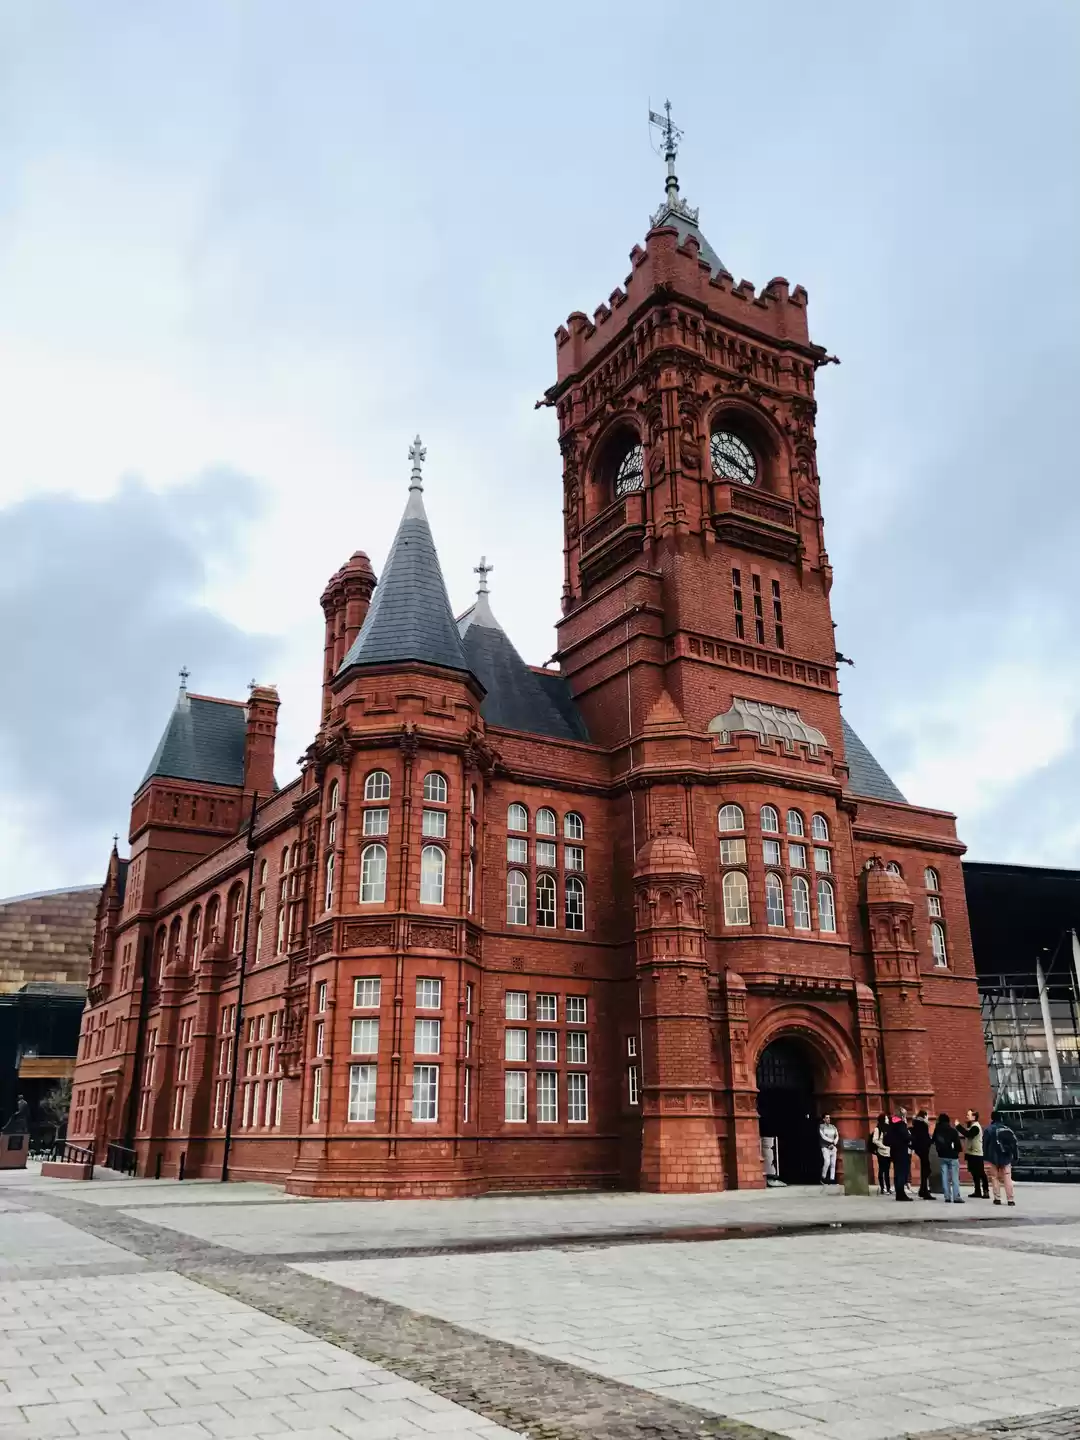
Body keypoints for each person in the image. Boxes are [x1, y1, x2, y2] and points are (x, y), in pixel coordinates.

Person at [983, 1110, 1019, 1206]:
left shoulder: (989, 1130)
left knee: (995, 1178)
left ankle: (997, 1198)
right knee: (1007, 1178)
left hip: (993, 1158)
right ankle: (1010, 1199)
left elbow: (985, 1144)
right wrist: (1015, 1156)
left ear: (992, 1118)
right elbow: (1014, 1144)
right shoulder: (1007, 1129)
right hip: (1006, 1157)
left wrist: (985, 1156)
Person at [933, 1113, 964, 1202]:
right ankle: (956, 1196)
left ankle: (947, 1196)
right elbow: (958, 1144)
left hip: (942, 1155)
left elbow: (934, 1141)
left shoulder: (937, 1130)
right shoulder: (952, 1131)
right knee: (954, 1177)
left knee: (944, 1176)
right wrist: (957, 1151)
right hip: (953, 1156)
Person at [958, 1109, 989, 1198]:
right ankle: (977, 1191)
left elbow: (968, 1134)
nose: (967, 1116)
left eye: (969, 1115)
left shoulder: (976, 1127)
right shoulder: (971, 1126)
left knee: (981, 1173)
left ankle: (986, 1191)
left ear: (974, 1117)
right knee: (974, 1173)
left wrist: (958, 1126)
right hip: (970, 1153)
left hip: (977, 1154)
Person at [885, 1108, 913, 1201]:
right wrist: (911, 1137)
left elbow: (887, 1139)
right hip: (902, 1151)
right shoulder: (901, 1125)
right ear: (902, 1115)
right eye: (905, 1114)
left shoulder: (891, 1125)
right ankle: (901, 1194)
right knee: (902, 1173)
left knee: (897, 1173)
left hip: (894, 1151)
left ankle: (899, 1194)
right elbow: (906, 1137)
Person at [911, 1109, 935, 1199]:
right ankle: (924, 1191)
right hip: (924, 1149)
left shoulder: (916, 1123)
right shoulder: (923, 1124)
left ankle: (923, 1189)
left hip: (919, 1149)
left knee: (925, 1169)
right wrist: (931, 1140)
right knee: (926, 1170)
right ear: (925, 1116)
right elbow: (924, 1138)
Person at [871, 1112, 892, 1195]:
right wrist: (882, 1146)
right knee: (882, 1170)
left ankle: (888, 1187)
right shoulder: (878, 1129)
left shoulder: (888, 1128)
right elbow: (874, 1140)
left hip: (888, 1152)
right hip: (881, 1152)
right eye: (886, 1118)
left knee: (887, 1171)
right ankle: (882, 1188)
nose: (887, 1120)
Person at [819, 1113, 839, 1185]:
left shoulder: (833, 1127)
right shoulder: (821, 1126)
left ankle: (832, 1179)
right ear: (823, 1119)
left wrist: (834, 1143)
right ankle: (823, 1178)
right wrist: (831, 1141)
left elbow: (837, 1135)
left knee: (833, 1164)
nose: (828, 1119)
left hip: (833, 1147)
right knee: (827, 1162)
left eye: (829, 1118)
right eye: (827, 1118)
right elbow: (823, 1136)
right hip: (825, 1147)